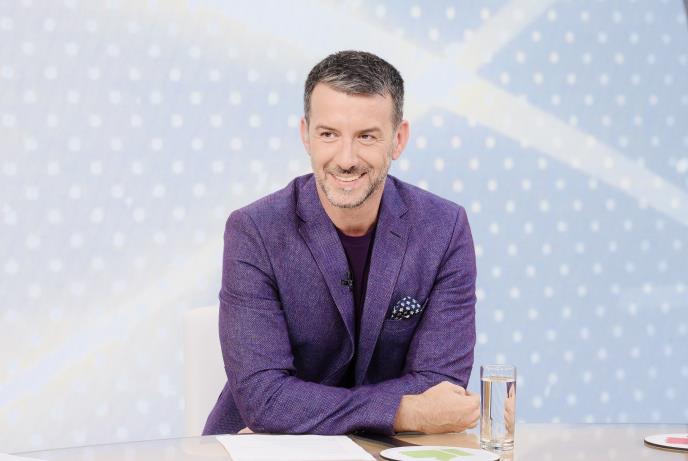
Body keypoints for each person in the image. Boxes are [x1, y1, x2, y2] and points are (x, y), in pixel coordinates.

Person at [203, 50, 479, 436]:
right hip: (265, 450)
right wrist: (404, 412)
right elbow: (264, 399)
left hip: (390, 451)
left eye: (366, 136)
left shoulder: (444, 229)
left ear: (398, 139)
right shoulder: (254, 231)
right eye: (328, 134)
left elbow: (439, 386)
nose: (346, 159)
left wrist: (301, 409)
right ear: (306, 135)